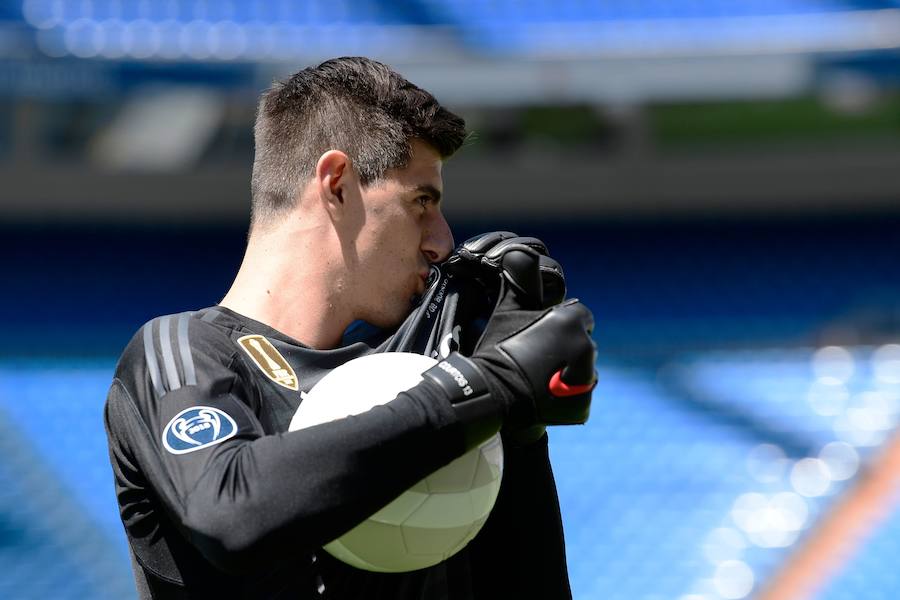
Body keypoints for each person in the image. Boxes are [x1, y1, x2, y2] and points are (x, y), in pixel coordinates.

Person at [104, 56, 597, 599]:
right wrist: (488, 387)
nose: (442, 242)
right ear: (337, 184)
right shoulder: (181, 351)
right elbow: (230, 512)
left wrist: (518, 426)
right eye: (421, 202)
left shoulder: (408, 385)